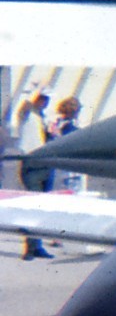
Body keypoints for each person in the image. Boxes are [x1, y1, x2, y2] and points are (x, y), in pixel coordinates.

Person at [11, 87, 52, 259]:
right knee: (33, 206)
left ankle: (37, 245)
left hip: (45, 163)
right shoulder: (29, 115)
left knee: (42, 207)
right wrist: (36, 90)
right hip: (32, 162)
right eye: (43, 99)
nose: (46, 102)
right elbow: (24, 108)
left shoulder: (42, 118)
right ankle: (29, 247)